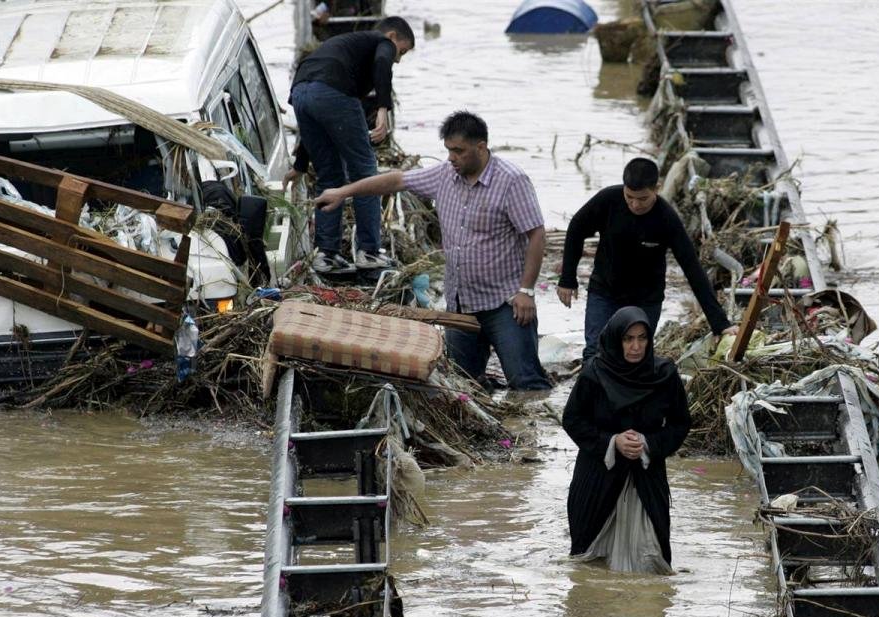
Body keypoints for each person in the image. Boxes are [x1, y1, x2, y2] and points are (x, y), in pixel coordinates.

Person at [314, 111, 552, 390]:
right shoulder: (445, 175)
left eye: (459, 151)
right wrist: (343, 192)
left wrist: (527, 291)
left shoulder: (511, 181)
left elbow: (536, 234)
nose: (452, 157)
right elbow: (395, 181)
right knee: (463, 386)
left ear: (481, 147)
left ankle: (530, 433)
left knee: (526, 384)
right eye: (449, 150)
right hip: (461, 304)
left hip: (505, 304)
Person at [557, 157, 737, 360]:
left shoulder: (666, 218)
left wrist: (720, 323)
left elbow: (692, 267)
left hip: (646, 299)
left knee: (637, 357)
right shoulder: (608, 200)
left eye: (642, 199)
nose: (635, 204)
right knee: (596, 353)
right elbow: (576, 229)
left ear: (657, 188)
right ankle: (590, 392)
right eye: (629, 197)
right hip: (605, 292)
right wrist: (567, 278)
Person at [562, 306, 691, 574]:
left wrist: (648, 444)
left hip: (646, 477)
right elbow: (573, 420)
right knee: (588, 567)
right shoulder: (593, 374)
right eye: (628, 339)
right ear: (616, 340)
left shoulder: (664, 375)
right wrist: (612, 442)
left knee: (651, 566)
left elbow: (680, 423)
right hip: (597, 478)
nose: (636, 347)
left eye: (642, 338)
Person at [285, 16, 415, 273]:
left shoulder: (346, 50)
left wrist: (299, 165)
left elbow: (315, 119)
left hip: (300, 92)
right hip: (331, 92)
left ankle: (326, 256)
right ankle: (368, 251)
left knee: (329, 175)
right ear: (391, 37)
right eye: (401, 51)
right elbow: (382, 62)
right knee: (365, 170)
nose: (398, 59)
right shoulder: (381, 41)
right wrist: (382, 108)